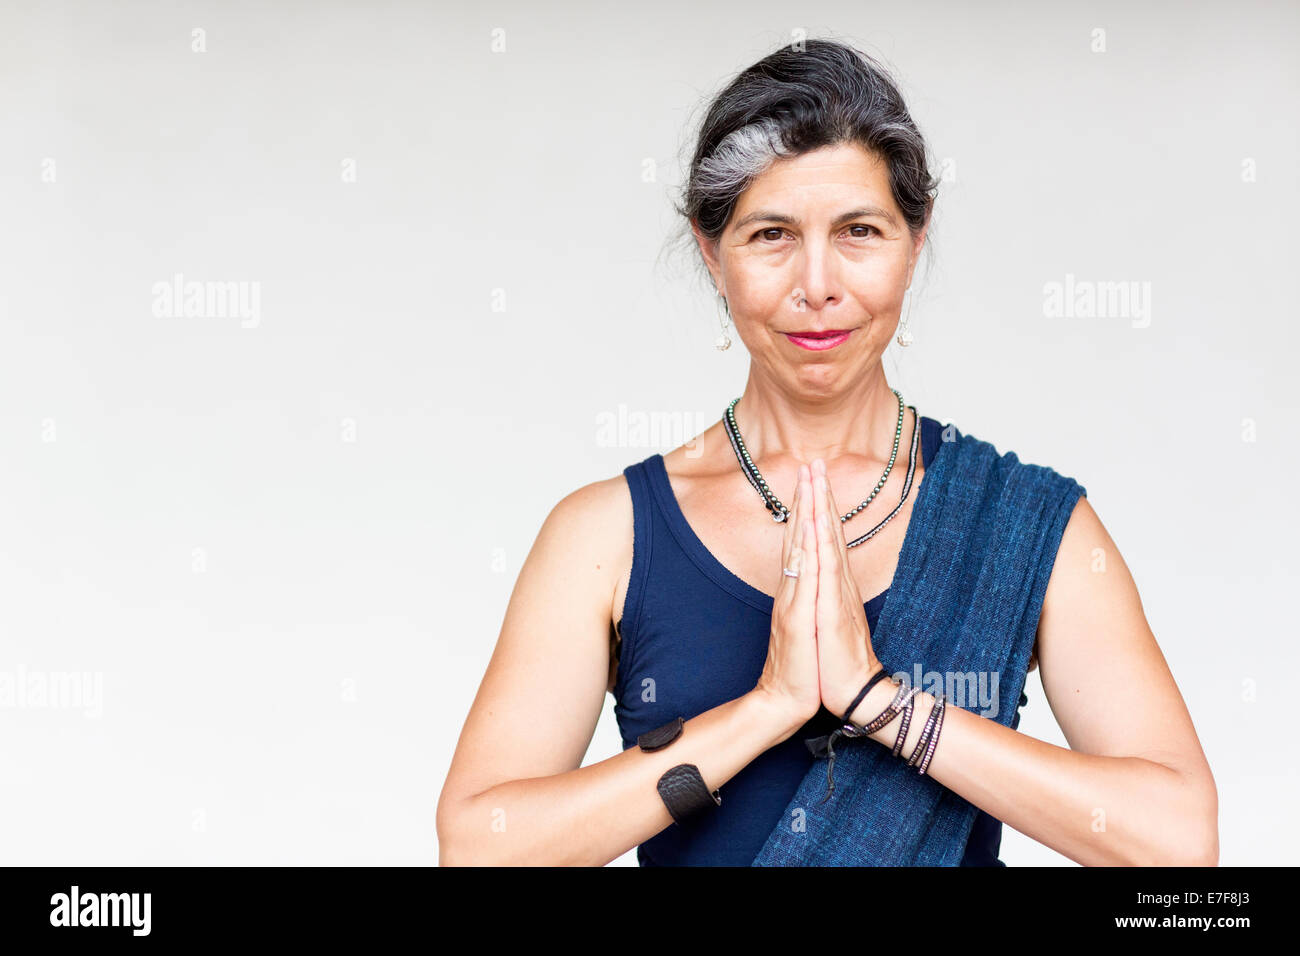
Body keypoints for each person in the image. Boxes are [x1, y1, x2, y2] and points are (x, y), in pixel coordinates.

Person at [436, 38, 1218, 866]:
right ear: (713, 256)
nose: (818, 284)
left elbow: (1177, 841)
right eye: (771, 234)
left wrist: (880, 704)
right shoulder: (606, 537)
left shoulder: (1022, 524)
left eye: (860, 231)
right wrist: (766, 710)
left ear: (914, 244)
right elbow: (481, 847)